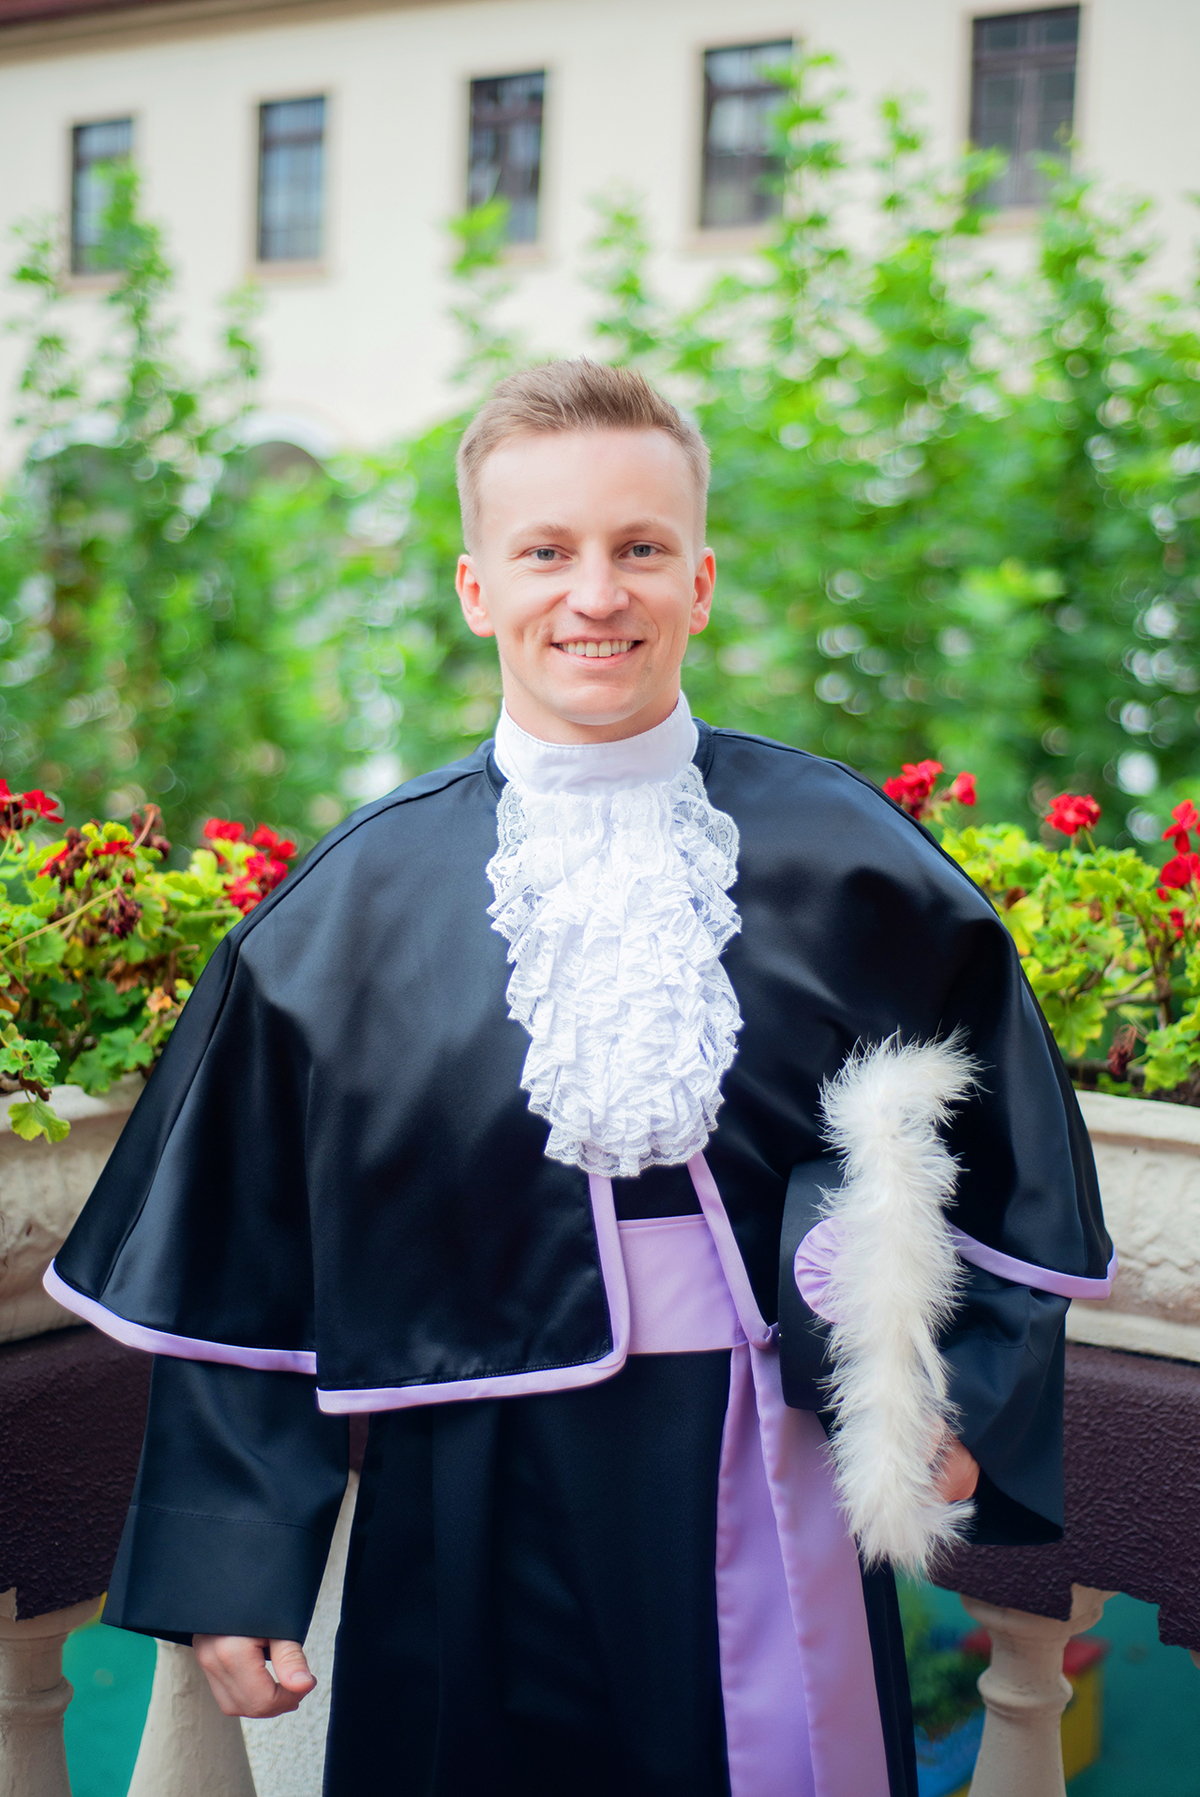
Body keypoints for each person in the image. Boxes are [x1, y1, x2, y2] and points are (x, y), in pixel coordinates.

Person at [48, 360, 1112, 1797]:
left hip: (769, 1456)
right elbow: (247, 1267)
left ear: (702, 579)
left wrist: (960, 1400)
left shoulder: (852, 860)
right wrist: (238, 1555)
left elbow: (1008, 1170)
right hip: (461, 1476)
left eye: (640, 549)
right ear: (480, 586)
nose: (595, 593)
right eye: (548, 550)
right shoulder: (345, 908)